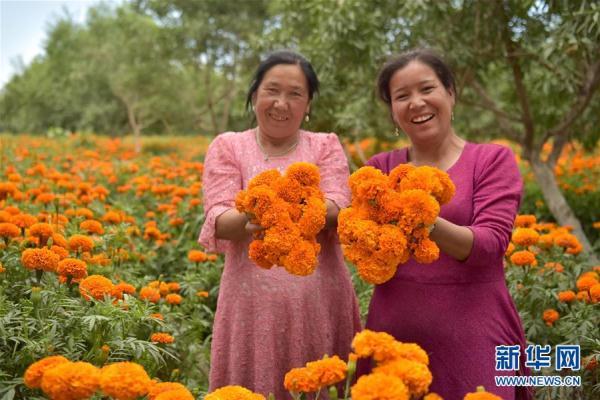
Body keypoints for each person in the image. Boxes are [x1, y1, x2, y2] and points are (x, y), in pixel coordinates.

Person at [360, 49, 533, 400]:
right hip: (393, 335)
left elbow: (489, 244)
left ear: (451, 93)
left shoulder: (490, 160)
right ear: (392, 110)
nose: (416, 103)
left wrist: (421, 218)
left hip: (474, 334)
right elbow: (364, 247)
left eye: (427, 89)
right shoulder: (379, 168)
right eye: (402, 96)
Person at [198, 50, 361, 399]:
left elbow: (338, 203)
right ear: (255, 94)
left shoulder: (325, 146)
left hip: (319, 302)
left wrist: (283, 207)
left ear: (308, 104)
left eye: (295, 94)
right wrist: (262, 214)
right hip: (251, 306)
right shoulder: (229, 147)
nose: (281, 104)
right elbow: (218, 216)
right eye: (272, 90)